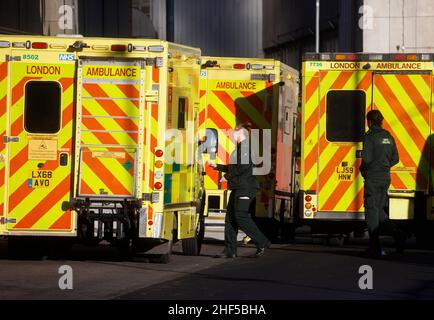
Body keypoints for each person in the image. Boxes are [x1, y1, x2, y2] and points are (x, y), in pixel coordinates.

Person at [209, 123, 271, 258]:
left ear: (241, 133)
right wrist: (217, 167)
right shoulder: (240, 148)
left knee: (240, 216)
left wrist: (227, 177)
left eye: (234, 132)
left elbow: (243, 167)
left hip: (245, 188)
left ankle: (262, 241)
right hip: (238, 187)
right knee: (230, 218)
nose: (232, 134)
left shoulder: (245, 148)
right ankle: (230, 250)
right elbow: (235, 168)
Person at [360, 110, 406, 258]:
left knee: (371, 211)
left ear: (369, 122)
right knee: (379, 211)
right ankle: (398, 235)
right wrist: (384, 165)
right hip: (385, 177)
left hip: (373, 177)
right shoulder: (388, 137)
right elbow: (396, 158)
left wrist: (364, 169)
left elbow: (366, 159)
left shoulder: (369, 137)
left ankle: (374, 247)